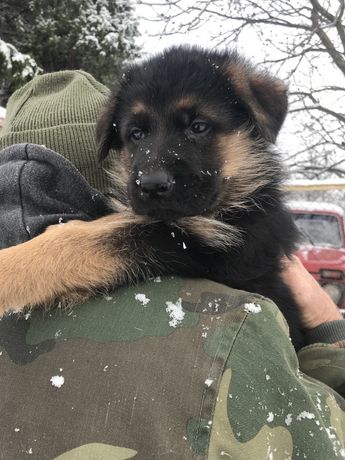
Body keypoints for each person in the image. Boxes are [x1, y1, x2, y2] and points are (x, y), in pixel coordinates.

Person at [0, 71, 344, 460]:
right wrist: (330, 330)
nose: (153, 169)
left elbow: (168, 241)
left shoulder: (234, 230)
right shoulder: (236, 329)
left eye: (197, 127)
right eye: (137, 135)